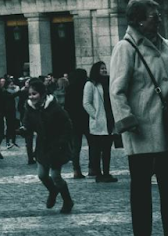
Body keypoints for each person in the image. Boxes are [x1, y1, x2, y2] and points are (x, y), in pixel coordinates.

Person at [109, 0, 168, 236]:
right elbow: (116, 90)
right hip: (141, 127)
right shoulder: (126, 48)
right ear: (138, 20)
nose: (160, 19)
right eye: (154, 16)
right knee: (141, 189)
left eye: (160, 14)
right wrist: (125, 120)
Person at [27, 78, 75, 214]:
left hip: (56, 146)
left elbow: (67, 125)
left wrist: (62, 142)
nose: (31, 97)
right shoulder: (30, 108)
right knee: (42, 175)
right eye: (30, 94)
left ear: (42, 95)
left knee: (55, 176)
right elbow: (28, 123)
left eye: (34, 94)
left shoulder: (54, 107)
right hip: (42, 146)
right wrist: (24, 129)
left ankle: (67, 200)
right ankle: (53, 191)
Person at [81, 61, 117, 183]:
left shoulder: (108, 82)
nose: (104, 70)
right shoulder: (90, 84)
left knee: (107, 149)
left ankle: (106, 172)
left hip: (109, 120)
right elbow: (86, 102)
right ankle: (99, 173)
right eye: (102, 68)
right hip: (99, 120)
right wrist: (95, 115)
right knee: (97, 149)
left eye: (105, 68)